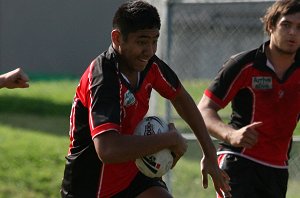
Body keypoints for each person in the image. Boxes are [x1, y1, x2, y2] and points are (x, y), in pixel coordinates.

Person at [60, 1, 230, 197]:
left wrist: (209, 154)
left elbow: (181, 97)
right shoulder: (103, 79)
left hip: (134, 176)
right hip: (90, 187)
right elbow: (108, 150)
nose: (149, 50)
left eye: (154, 40)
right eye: (141, 42)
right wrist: (169, 139)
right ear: (117, 38)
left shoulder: (150, 66)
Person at [198, 0, 300, 197]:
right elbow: (204, 110)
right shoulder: (244, 64)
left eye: (299, 27)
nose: (292, 33)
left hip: (277, 169)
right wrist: (231, 135)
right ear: (271, 26)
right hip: (238, 161)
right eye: (286, 25)